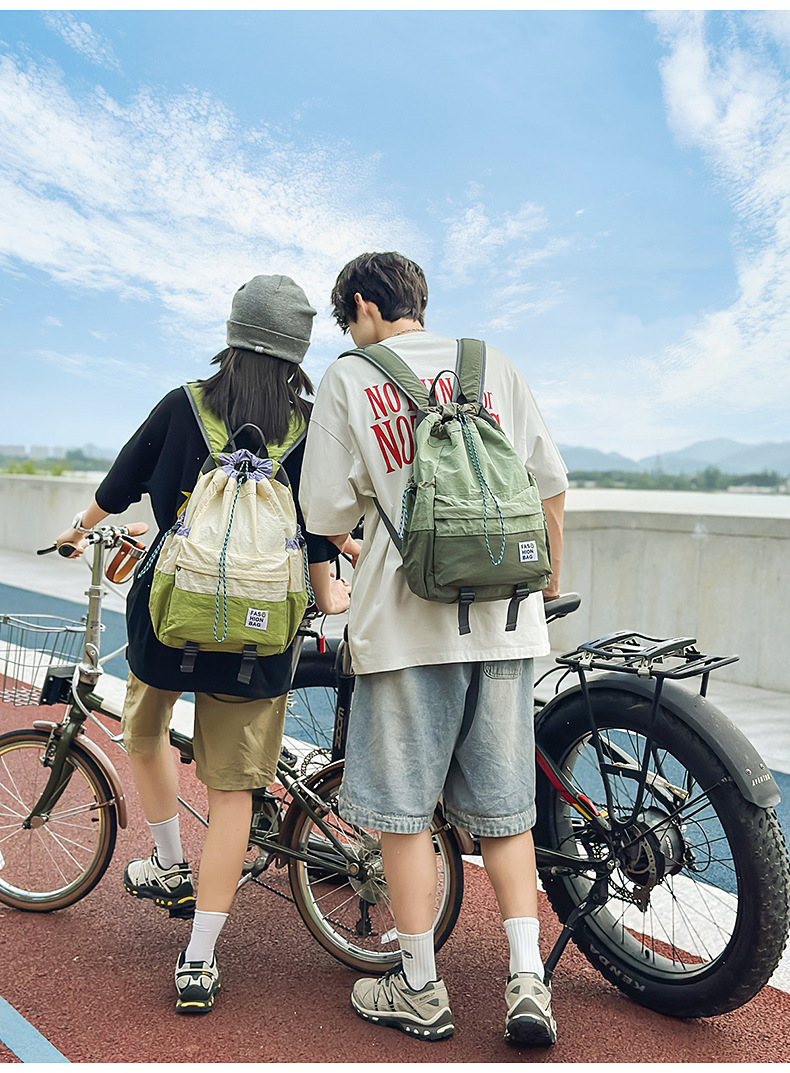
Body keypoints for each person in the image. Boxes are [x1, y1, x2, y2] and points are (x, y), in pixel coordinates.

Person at [56, 275, 352, 1014]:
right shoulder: (310, 428)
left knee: (144, 726)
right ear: (298, 352)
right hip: (259, 640)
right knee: (232, 794)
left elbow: (122, 480)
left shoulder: (186, 404)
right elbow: (318, 535)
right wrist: (331, 589)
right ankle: (198, 961)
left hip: (169, 621)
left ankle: (167, 861)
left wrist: (79, 527)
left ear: (232, 333)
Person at [300, 251, 568, 1045]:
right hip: (508, 622)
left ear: (361, 305)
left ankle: (420, 987)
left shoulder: (351, 375)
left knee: (404, 817)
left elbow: (323, 506)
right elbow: (550, 483)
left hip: (405, 628)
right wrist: (544, 587)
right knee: (506, 812)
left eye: (347, 318)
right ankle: (528, 981)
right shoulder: (492, 364)